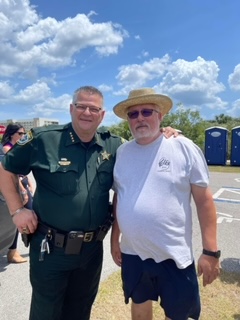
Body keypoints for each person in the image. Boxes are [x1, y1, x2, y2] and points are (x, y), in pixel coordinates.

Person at [0, 86, 178, 320]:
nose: (87, 113)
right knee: (46, 313)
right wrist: (17, 210)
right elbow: (5, 168)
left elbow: (144, 147)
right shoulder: (45, 140)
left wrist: (165, 134)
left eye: (94, 109)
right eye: (81, 106)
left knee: (81, 311)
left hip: (91, 251)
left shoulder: (114, 145)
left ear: (102, 115)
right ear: (71, 109)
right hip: (51, 249)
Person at [110, 88, 220, 320]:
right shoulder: (122, 152)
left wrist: (211, 251)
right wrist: (114, 240)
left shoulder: (183, 147)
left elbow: (204, 200)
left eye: (147, 111)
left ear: (160, 116)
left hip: (174, 254)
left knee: (179, 314)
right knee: (139, 303)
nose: (140, 117)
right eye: (133, 114)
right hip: (133, 253)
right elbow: (120, 197)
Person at [1, 122, 33, 263]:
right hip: (15, 185)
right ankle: (12, 252)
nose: (23, 136)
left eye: (24, 133)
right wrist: (22, 189)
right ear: (11, 134)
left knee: (30, 214)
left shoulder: (17, 148)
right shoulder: (7, 149)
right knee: (18, 216)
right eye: (20, 133)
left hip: (22, 182)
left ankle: (16, 249)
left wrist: (28, 183)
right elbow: (11, 173)